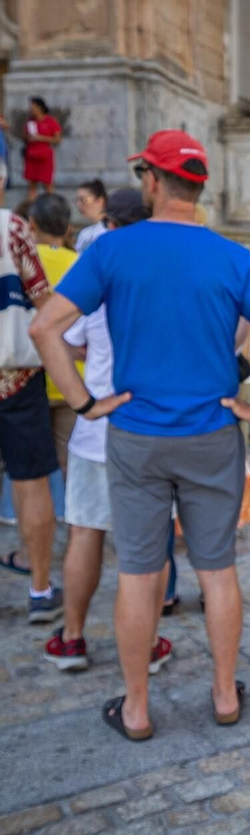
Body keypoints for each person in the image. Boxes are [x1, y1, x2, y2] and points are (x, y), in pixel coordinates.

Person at [30, 129, 250, 743]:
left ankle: (136, 706)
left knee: (137, 571)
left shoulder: (111, 250)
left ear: (152, 182)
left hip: (134, 435)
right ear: (199, 185)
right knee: (217, 570)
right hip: (213, 431)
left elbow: (46, 328)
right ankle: (224, 693)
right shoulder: (231, 255)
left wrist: (82, 402)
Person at [42, 189, 171, 676]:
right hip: (155, 426)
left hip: (99, 426)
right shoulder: (168, 274)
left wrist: (87, 392)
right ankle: (150, 641)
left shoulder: (96, 271)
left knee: (85, 534)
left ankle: (73, 637)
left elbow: (59, 336)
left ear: (111, 225)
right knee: (148, 546)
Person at [0, 194, 60, 624]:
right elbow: (43, 299)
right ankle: (40, 588)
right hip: (16, 374)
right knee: (32, 481)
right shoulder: (12, 227)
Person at [28, 194, 80, 479]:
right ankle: (70, 516)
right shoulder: (82, 264)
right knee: (71, 461)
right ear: (68, 229)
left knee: (27, 462)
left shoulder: (25, 264)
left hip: (30, 372)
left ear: (31, 225)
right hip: (74, 377)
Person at [21, 98, 60, 197]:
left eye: (33, 107)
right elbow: (24, 137)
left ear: (40, 108)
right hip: (32, 155)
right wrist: (28, 137)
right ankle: (31, 208)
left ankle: (51, 206)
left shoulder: (50, 121)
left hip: (44, 156)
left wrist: (41, 138)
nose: (31, 110)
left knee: (47, 184)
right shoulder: (30, 122)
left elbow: (57, 139)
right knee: (32, 185)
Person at [74, 180, 108, 251]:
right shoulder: (84, 233)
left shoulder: (112, 229)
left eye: (84, 200)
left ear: (100, 201)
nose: (78, 204)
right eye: (77, 200)